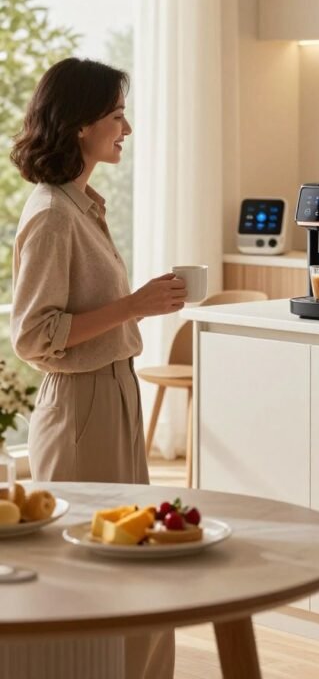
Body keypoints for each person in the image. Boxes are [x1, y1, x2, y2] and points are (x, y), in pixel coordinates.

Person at [10, 57, 184, 679]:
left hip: (113, 397)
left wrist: (135, 309)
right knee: (98, 577)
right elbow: (33, 337)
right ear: (81, 125)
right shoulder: (53, 216)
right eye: (116, 116)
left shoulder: (82, 205)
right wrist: (133, 305)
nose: (126, 129)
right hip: (81, 407)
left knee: (134, 564)